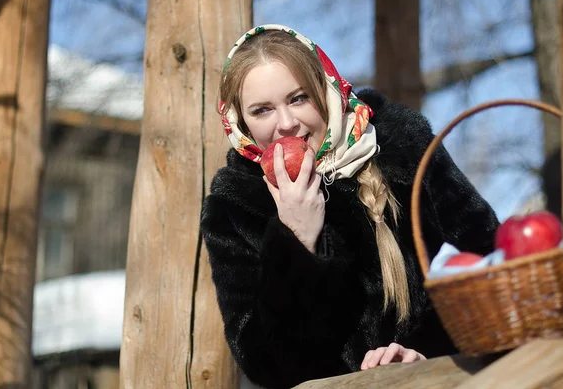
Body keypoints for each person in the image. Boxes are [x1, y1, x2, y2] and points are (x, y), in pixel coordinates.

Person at [200, 24, 499, 389]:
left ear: (325, 89)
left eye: (299, 98)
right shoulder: (235, 205)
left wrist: (423, 354)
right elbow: (269, 366)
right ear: (239, 121)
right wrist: (296, 241)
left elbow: (487, 266)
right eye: (262, 110)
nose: (287, 123)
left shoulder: (402, 145)